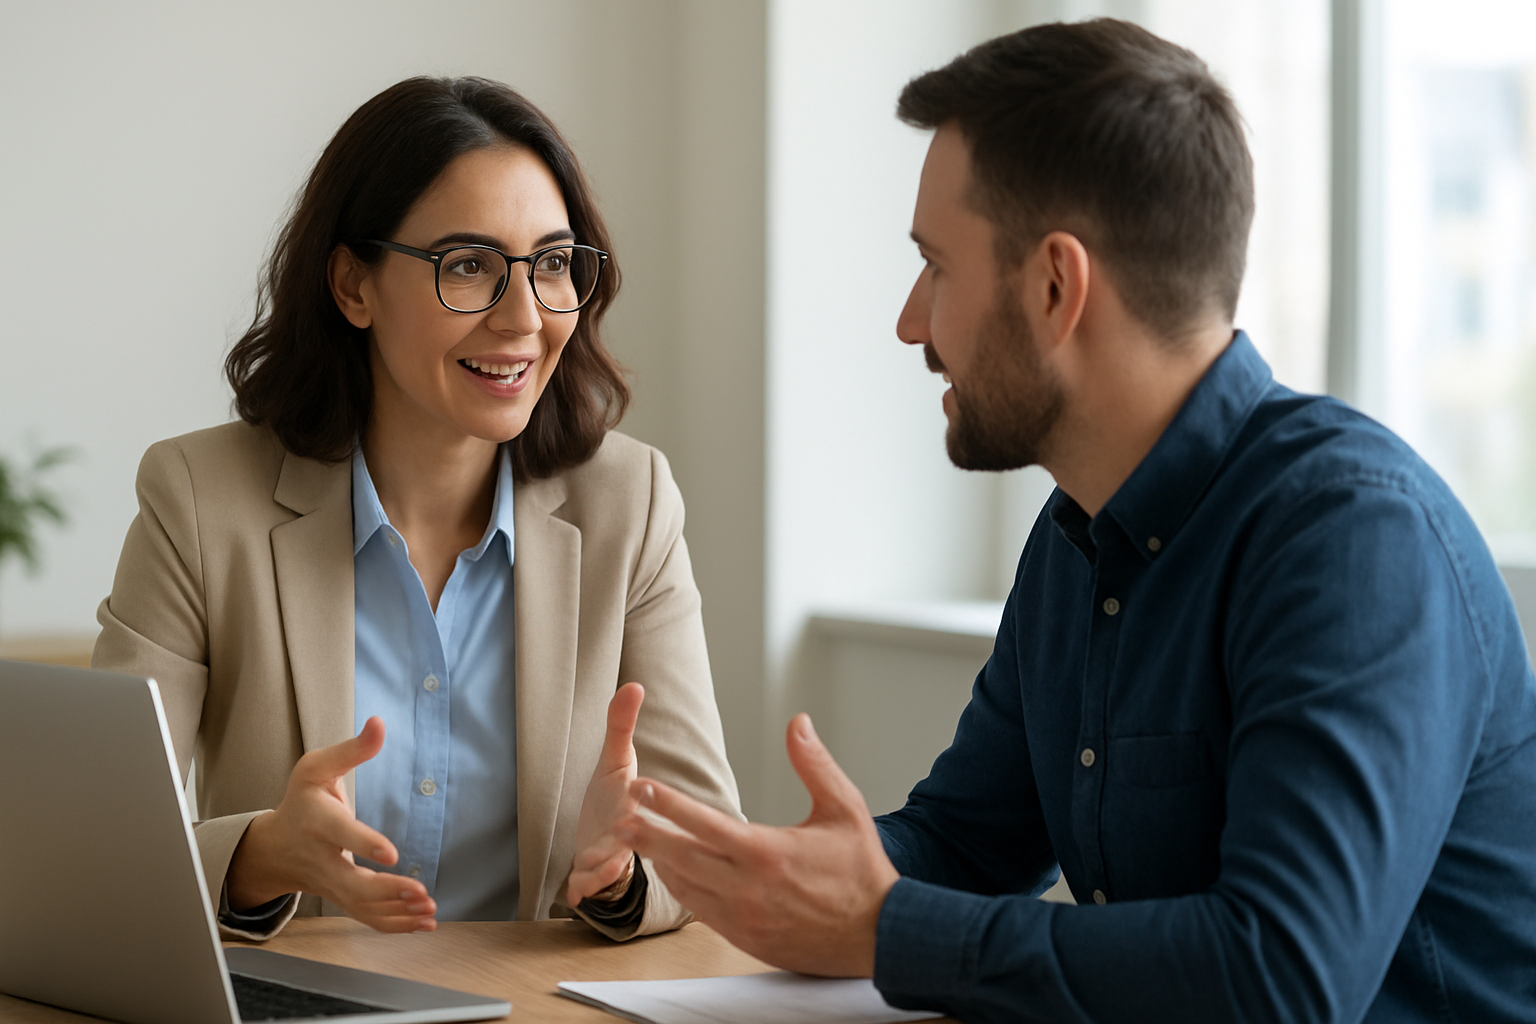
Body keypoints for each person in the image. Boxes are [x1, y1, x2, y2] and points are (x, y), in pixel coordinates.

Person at [614, 19, 1536, 1023]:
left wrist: (887, 926)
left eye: (937, 266)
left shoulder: (1355, 541)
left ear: (1056, 286)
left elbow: (1281, 980)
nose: (911, 320)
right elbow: (970, 844)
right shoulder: (1075, 536)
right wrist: (735, 867)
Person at [93, 76, 740, 943]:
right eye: (467, 266)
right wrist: (260, 855)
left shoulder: (632, 502)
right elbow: (100, 849)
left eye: (552, 265)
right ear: (354, 287)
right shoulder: (200, 500)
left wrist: (622, 876)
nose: (524, 318)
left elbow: (703, 841)